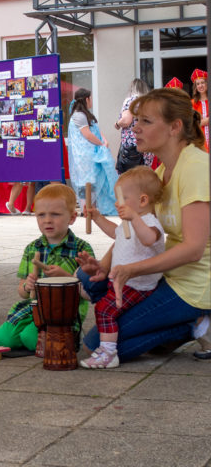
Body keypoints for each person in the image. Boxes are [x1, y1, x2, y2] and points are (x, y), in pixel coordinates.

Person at [76, 87, 210, 362]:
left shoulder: (196, 167)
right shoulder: (159, 173)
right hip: (168, 276)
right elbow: (135, 232)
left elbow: (194, 249)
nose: (134, 127)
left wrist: (129, 269)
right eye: (136, 120)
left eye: (145, 121)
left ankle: (192, 323)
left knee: (97, 346)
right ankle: (173, 329)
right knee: (86, 279)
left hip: (196, 286)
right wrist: (103, 266)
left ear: (175, 127)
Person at [78, 166, 165, 368]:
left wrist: (134, 218)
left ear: (143, 201)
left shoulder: (150, 222)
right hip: (123, 282)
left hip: (138, 284)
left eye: (123, 198)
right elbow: (115, 233)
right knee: (103, 303)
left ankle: (108, 353)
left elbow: (149, 239)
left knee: (105, 310)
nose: (118, 203)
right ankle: (108, 344)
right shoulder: (129, 223)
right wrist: (98, 218)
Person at [0, 183, 93, 353]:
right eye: (41, 215)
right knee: (1, 339)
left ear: (72, 217)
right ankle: (35, 332)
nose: (47, 220)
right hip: (33, 309)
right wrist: (27, 286)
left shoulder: (82, 249)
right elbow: (22, 292)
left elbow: (90, 292)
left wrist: (67, 276)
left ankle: (70, 334)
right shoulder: (32, 248)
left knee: (31, 339)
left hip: (63, 314)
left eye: (55, 214)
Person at [67, 87, 118, 215]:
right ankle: (88, 209)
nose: (92, 101)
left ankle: (92, 208)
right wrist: (101, 144)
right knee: (87, 182)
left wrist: (104, 141)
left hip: (90, 155)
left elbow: (96, 130)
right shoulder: (79, 116)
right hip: (85, 157)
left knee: (93, 181)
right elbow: (87, 134)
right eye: (91, 98)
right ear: (86, 99)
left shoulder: (85, 115)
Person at [115, 78, 153, 174]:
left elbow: (126, 120)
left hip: (132, 147)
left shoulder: (131, 100)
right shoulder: (148, 102)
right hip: (147, 146)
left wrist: (117, 124)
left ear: (132, 88)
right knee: (143, 178)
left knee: (130, 180)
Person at [190, 68, 208, 151]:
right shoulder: (192, 103)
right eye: (198, 84)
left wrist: (202, 121)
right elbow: (192, 123)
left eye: (202, 82)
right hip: (200, 140)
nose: (200, 86)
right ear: (195, 87)